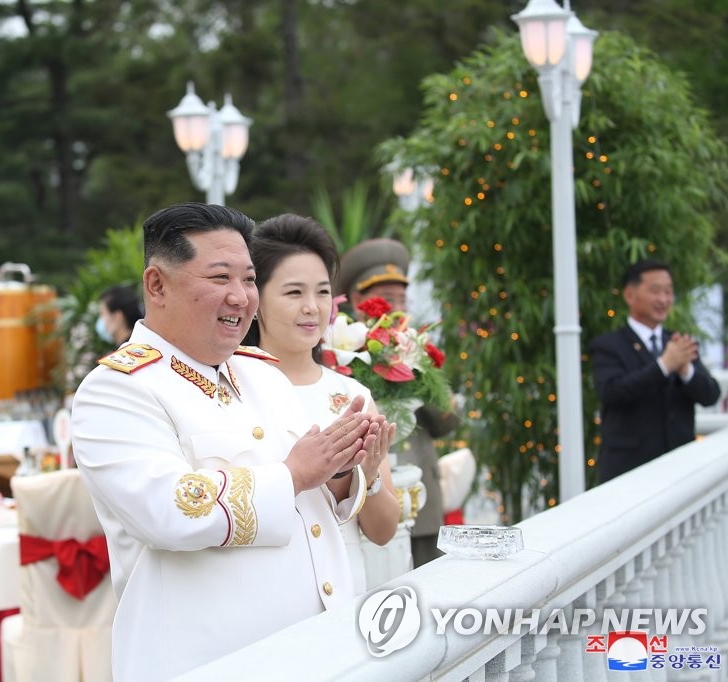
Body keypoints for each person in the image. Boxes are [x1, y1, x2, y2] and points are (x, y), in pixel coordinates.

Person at [71, 202, 380, 680]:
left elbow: (313, 507)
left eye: (250, 279)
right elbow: (169, 510)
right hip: (206, 661)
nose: (241, 297)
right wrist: (297, 474)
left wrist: (340, 470)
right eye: (220, 279)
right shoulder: (117, 389)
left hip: (316, 652)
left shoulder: (262, 374)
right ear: (157, 285)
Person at [244, 214, 399, 594]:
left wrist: (370, 472)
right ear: (256, 298)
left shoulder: (352, 395)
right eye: (294, 293)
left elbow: (382, 533)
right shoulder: (232, 384)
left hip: (344, 593)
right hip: (265, 592)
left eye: (323, 291)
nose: (313, 307)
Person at [336, 238, 460, 567]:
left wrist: (419, 373)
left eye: (401, 299)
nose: (396, 308)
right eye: (386, 299)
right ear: (359, 300)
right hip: (368, 496)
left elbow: (448, 422)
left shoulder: (414, 350)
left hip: (422, 495)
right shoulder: (340, 347)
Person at [589, 259, 721, 482]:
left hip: (679, 468)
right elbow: (613, 392)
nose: (664, 299)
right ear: (630, 295)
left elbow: (711, 395)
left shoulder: (678, 342)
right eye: (656, 291)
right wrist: (663, 366)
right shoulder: (608, 345)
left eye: (669, 292)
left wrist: (685, 370)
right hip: (630, 472)